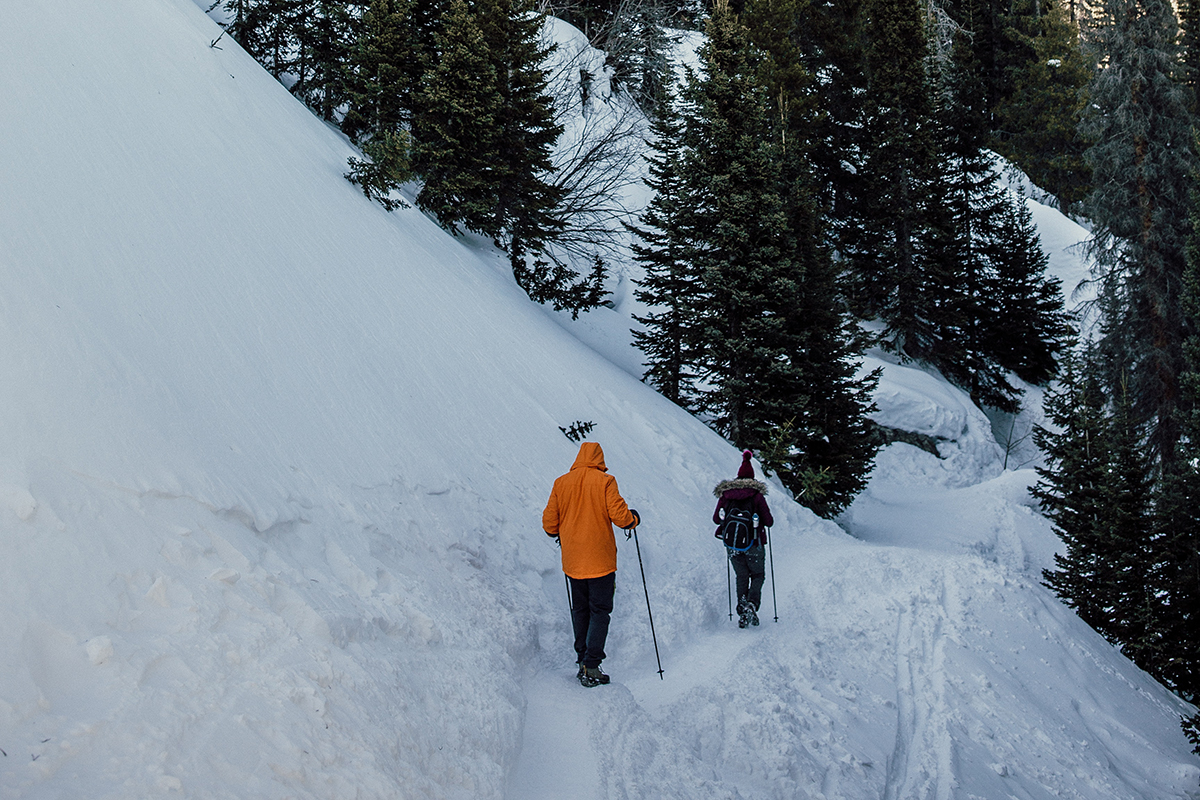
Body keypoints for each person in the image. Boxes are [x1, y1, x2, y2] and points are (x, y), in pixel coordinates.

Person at [543, 441, 640, 688]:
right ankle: (592, 665)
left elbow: (549, 525)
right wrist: (633, 519)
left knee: (580, 610)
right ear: (599, 459)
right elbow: (621, 517)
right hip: (600, 561)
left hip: (573, 562)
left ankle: (582, 660)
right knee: (600, 611)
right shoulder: (605, 481)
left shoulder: (561, 483)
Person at [713, 449, 773, 628]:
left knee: (741, 575)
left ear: (737, 477)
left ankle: (742, 606)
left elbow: (716, 519)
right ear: (752, 479)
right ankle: (752, 604)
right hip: (754, 543)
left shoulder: (726, 495)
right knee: (758, 575)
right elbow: (769, 522)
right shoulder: (756, 495)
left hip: (732, 543)